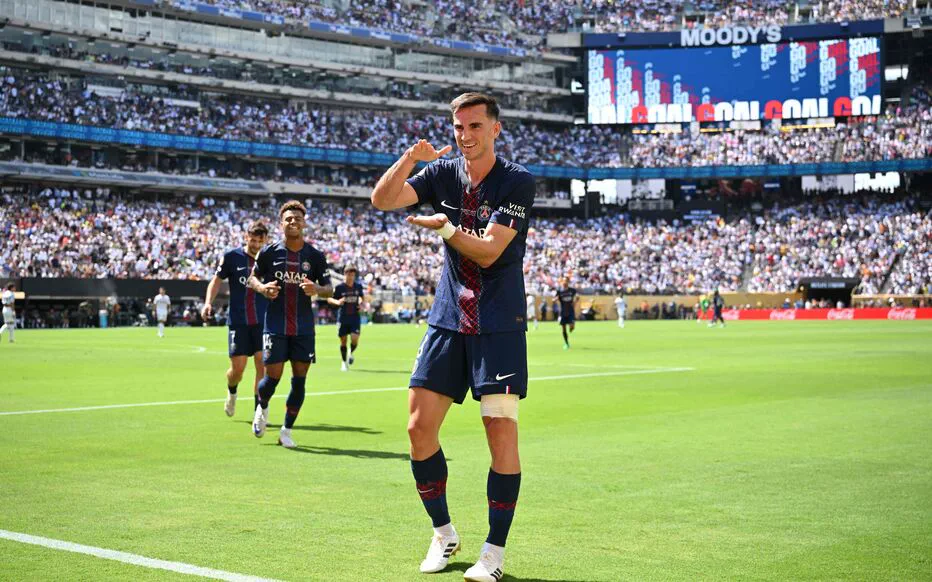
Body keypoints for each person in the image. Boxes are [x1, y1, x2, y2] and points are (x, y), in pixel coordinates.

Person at [371, 92, 534, 582]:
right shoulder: (443, 173)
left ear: (496, 128)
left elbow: (488, 252)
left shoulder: (517, 181)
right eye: (458, 127)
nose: (465, 135)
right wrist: (409, 160)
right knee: (418, 430)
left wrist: (444, 229)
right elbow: (381, 200)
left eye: (475, 126)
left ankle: (494, 552)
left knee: (499, 432)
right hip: (446, 320)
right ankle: (444, 533)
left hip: (499, 326)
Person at [247, 200, 332, 449]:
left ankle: (286, 430)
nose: (293, 222)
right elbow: (252, 278)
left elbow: (329, 289)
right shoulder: (269, 252)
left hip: (304, 328)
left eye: (297, 218)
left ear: (304, 223)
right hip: (275, 325)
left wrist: (316, 289)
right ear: (281, 223)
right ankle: (261, 408)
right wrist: (263, 288)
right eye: (288, 219)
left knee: (300, 379)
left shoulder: (315, 256)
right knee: (272, 377)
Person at [202, 221, 270, 417]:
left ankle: (259, 411)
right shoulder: (232, 257)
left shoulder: (269, 259)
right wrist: (208, 303)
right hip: (239, 321)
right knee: (237, 371)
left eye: (260, 241)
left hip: (262, 322)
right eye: (253, 240)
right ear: (246, 237)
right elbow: (216, 281)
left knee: (261, 365)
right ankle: (231, 392)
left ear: (265, 240)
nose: (256, 244)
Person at [327, 264, 364, 372]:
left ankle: (350, 353)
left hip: (355, 317)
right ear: (345, 274)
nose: (350, 277)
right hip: (343, 317)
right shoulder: (339, 288)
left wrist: (361, 302)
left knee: (354, 339)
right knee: (343, 341)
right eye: (348, 274)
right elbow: (329, 299)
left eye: (352, 275)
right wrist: (337, 302)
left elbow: (361, 297)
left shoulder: (358, 287)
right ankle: (344, 362)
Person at [555, 277, 578, 349]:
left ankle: (571, 327)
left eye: (566, 281)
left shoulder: (572, 290)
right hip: (563, 312)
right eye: (563, 281)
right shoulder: (559, 291)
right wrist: (555, 299)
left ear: (568, 282)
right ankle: (566, 343)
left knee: (572, 327)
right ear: (562, 282)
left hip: (570, 311)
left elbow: (577, 297)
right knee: (563, 328)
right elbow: (556, 298)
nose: (564, 282)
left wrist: (575, 302)